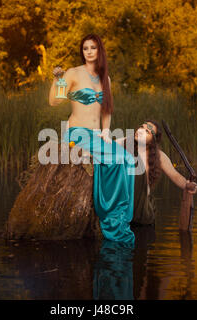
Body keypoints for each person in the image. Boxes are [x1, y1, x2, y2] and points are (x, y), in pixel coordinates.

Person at [48, 34, 136, 245]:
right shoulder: (73, 73)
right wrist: (57, 80)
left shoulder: (106, 78)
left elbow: (107, 110)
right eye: (85, 48)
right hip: (78, 133)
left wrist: (106, 131)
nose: (89, 51)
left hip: (98, 135)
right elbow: (54, 102)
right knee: (116, 161)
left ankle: (122, 218)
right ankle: (109, 218)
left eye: (93, 47)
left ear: (99, 51)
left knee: (128, 160)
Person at [115, 120, 197, 225]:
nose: (140, 131)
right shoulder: (124, 143)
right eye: (141, 127)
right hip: (121, 202)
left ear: (152, 140)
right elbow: (104, 146)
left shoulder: (159, 157)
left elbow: (175, 175)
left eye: (146, 131)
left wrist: (187, 185)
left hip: (142, 209)